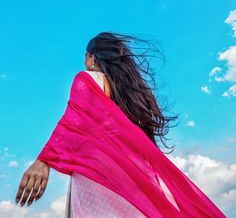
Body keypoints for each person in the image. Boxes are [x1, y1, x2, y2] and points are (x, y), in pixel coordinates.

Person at [15, 32, 226, 217]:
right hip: (134, 183)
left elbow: (74, 116)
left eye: (85, 57)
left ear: (91, 57)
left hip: (100, 181)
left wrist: (44, 160)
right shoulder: (131, 97)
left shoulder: (90, 79)